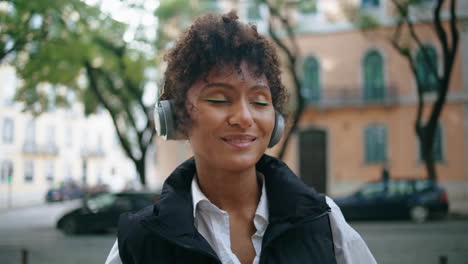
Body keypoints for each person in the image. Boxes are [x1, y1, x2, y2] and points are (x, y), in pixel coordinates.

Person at [105, 11, 376, 264]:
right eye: (218, 99)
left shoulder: (324, 220)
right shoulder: (139, 241)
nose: (245, 117)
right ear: (176, 117)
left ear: (277, 121)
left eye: (260, 102)